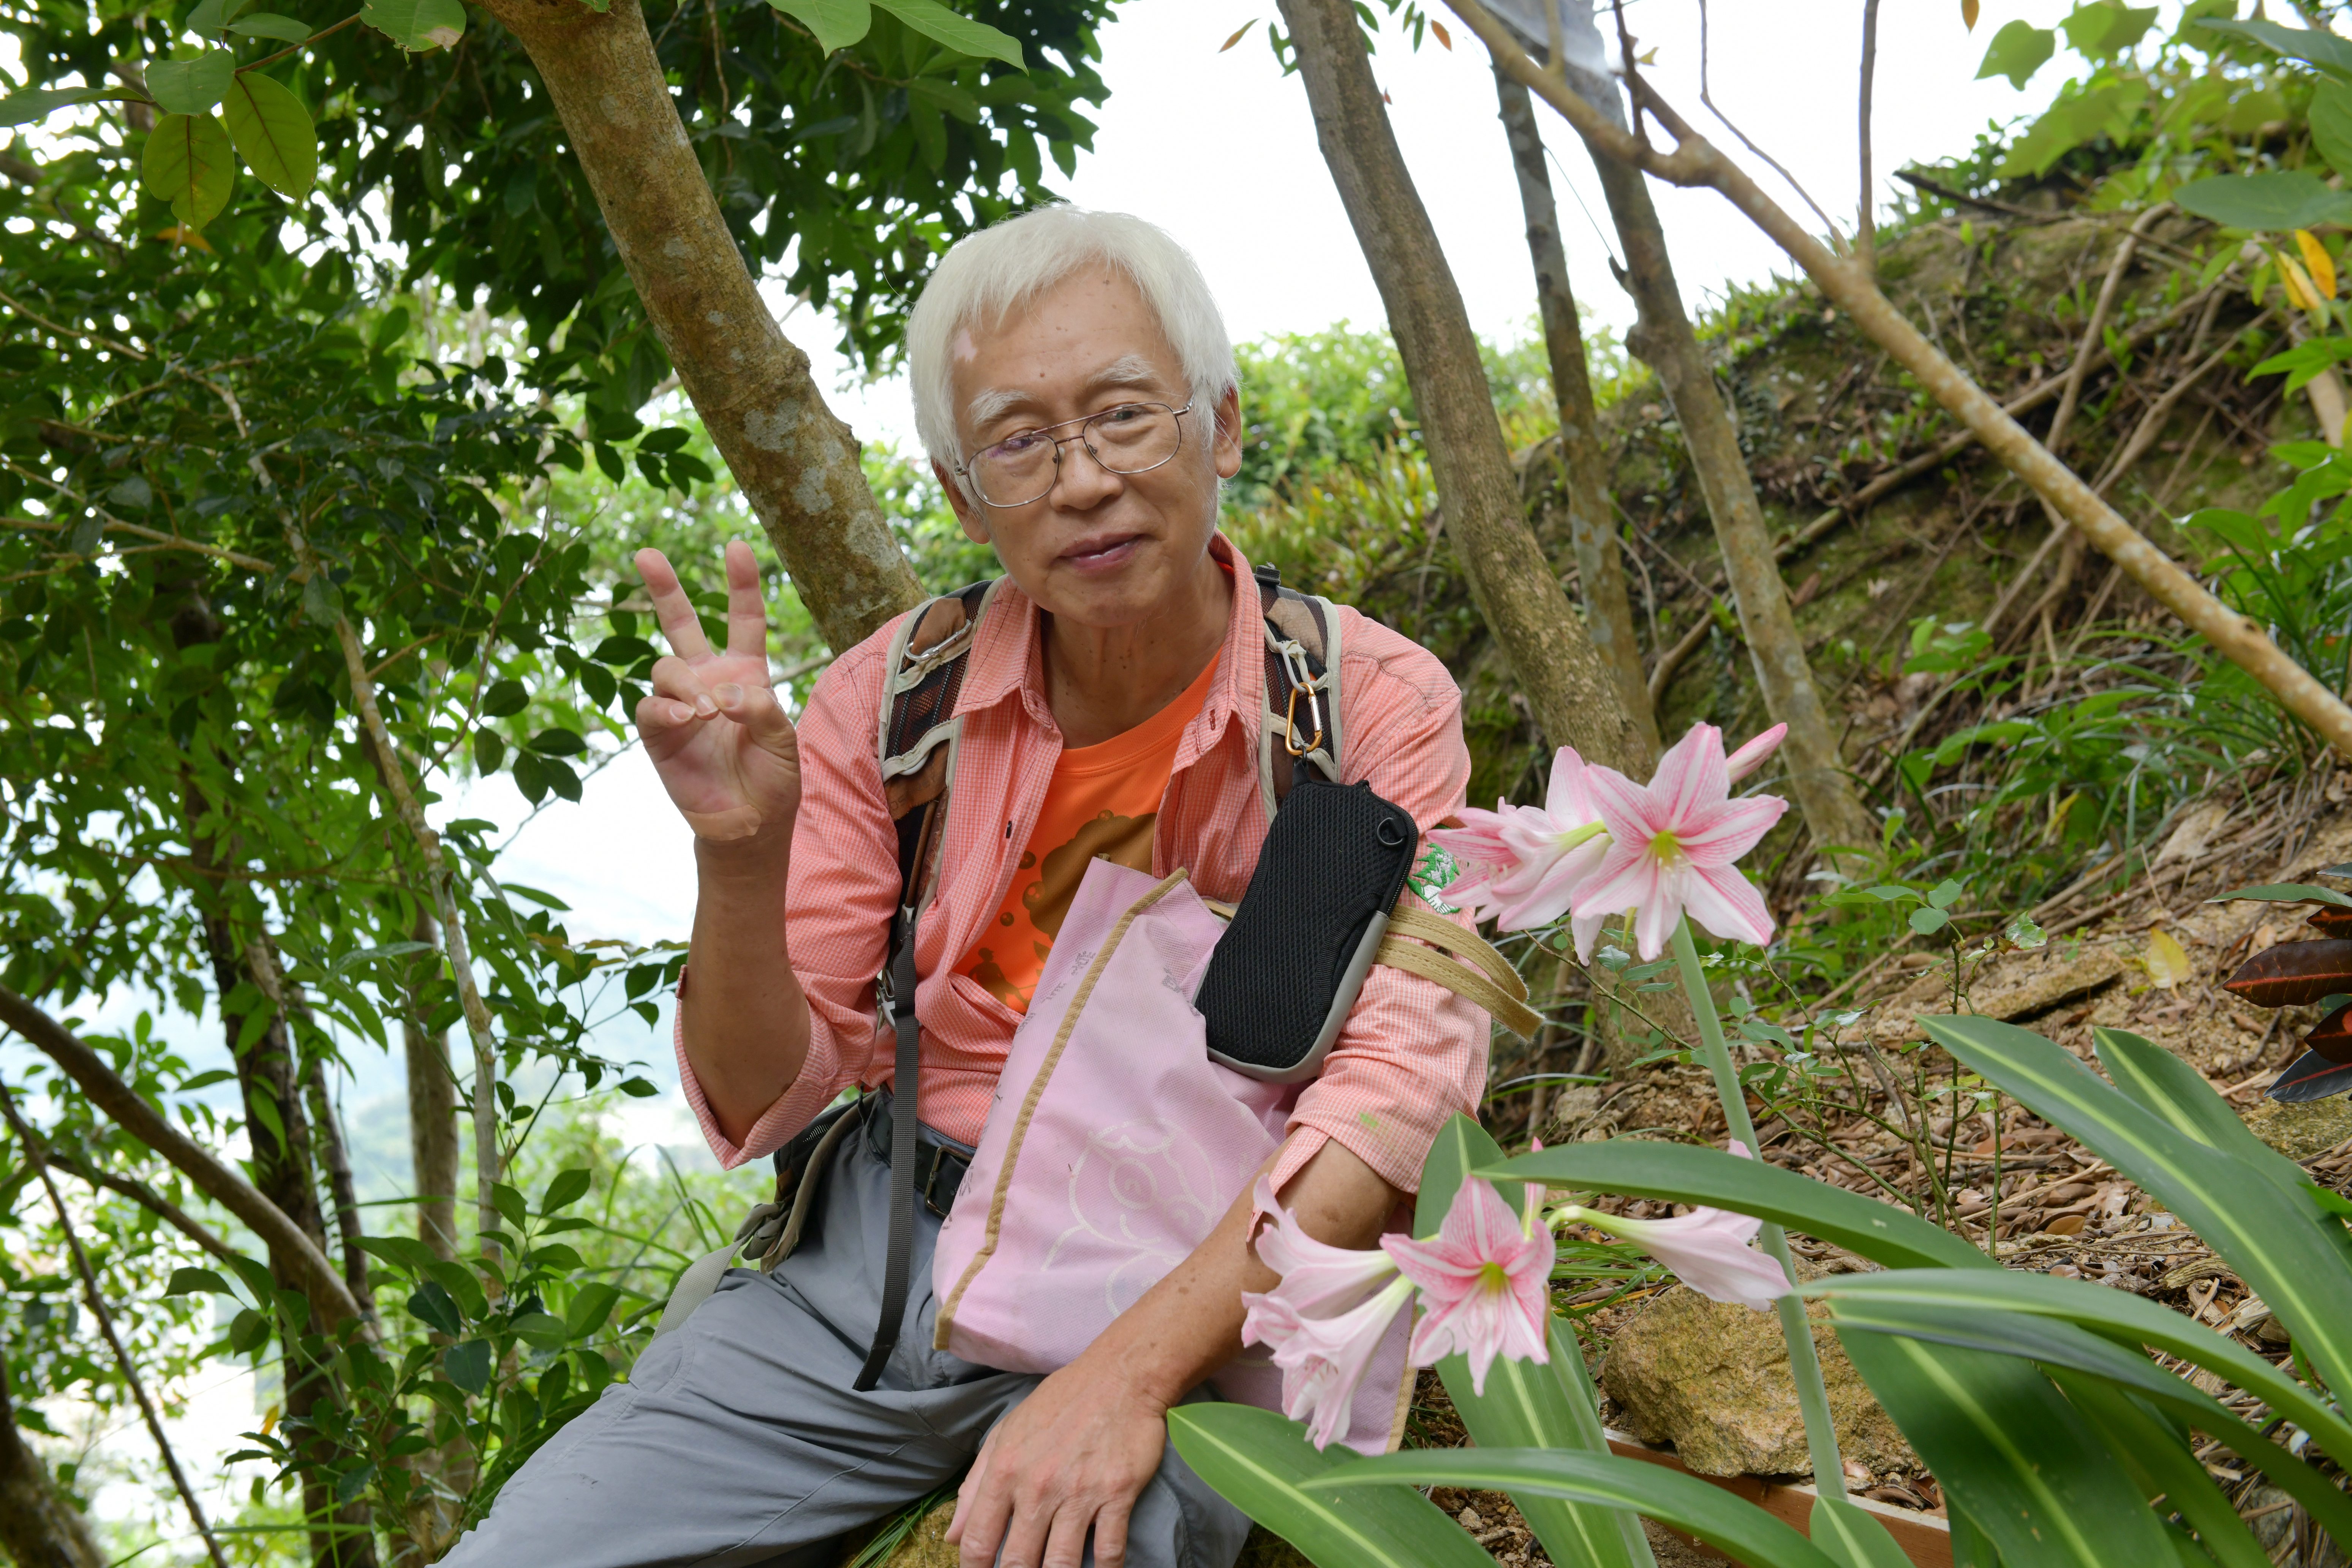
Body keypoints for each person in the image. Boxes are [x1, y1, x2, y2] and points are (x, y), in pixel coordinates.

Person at [442, 207, 1487, 1568]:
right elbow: (767, 1096)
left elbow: (1402, 1087)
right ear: (960, 494)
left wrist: (1125, 1376)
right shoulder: (893, 702)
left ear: (1221, 428)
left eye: (1125, 416)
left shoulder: (1364, 709)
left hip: (1198, 1280)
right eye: (1019, 442)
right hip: (883, 1267)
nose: (1084, 481)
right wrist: (738, 855)